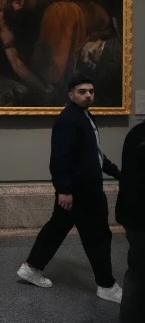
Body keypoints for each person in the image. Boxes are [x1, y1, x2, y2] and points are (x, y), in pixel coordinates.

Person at [16, 75, 122, 303]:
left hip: (83, 189)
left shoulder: (85, 117)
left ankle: (31, 267)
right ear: (70, 95)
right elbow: (60, 158)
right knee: (98, 237)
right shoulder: (68, 120)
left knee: (57, 228)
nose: (88, 95)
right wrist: (64, 190)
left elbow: (95, 156)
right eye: (82, 91)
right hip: (82, 192)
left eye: (91, 91)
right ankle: (106, 285)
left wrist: (118, 173)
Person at [116, 120, 145, 322]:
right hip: (140, 217)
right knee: (139, 275)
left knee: (137, 272)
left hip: (133, 216)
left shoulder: (136, 132)